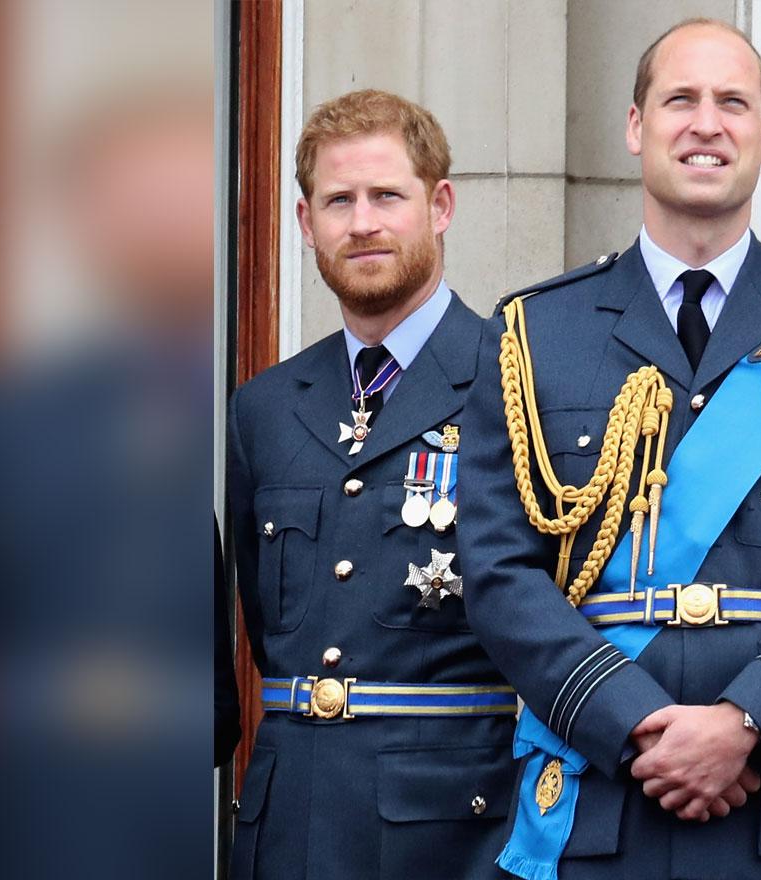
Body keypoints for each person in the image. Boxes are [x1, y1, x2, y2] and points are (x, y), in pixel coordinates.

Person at [459, 18, 761, 880]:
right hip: (604, 796)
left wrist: (747, 722)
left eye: (732, 103)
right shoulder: (533, 332)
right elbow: (496, 569)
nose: (706, 123)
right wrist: (635, 721)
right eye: (681, 99)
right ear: (636, 127)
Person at [226, 90, 517, 880]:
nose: (362, 222)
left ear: (441, 205)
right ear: (304, 221)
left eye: (387, 195)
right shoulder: (265, 408)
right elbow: (263, 625)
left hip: (456, 833)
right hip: (289, 826)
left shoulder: (516, 383)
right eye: (338, 200)